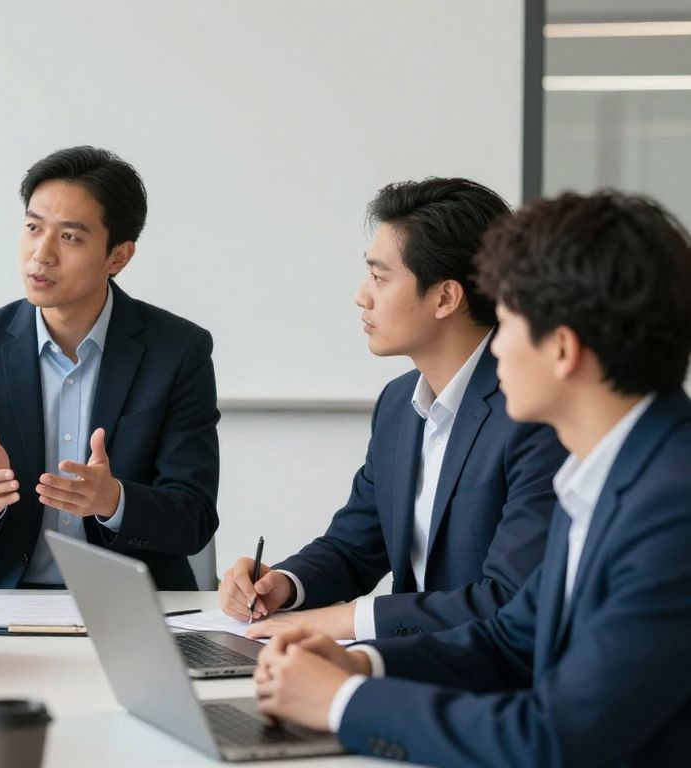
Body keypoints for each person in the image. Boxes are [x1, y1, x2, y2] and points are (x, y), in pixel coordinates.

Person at [254, 191, 691, 767]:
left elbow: (554, 739)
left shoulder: (671, 507)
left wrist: (344, 703)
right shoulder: (608, 469)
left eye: (506, 321)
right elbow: (512, 639)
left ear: (562, 349)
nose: (495, 345)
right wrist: (361, 664)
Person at [220, 178, 567, 641]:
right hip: (412, 665)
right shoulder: (399, 405)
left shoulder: (532, 412)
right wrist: (283, 584)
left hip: (484, 679)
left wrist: (346, 620)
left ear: (445, 297)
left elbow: (510, 597)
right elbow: (354, 547)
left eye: (380, 277)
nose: (361, 296)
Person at [0, 145, 220, 590]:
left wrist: (113, 499)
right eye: (33, 228)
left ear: (118, 256)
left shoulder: (177, 351)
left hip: (135, 603)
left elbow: (194, 518)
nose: (41, 254)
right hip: (5, 598)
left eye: (70, 237)